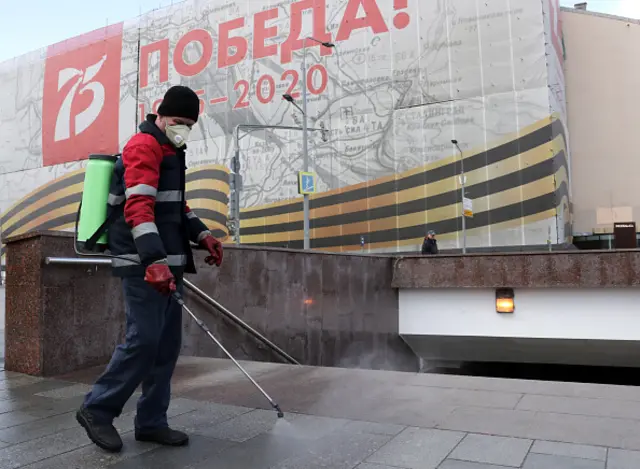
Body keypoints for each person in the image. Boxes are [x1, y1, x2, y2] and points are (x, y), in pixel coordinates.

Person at [76, 85, 224, 453]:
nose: (183, 129)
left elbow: (174, 205)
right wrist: (154, 262)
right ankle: (97, 409)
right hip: (144, 263)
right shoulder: (144, 145)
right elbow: (139, 208)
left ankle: (152, 421)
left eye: (189, 124)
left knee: (166, 347)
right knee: (143, 341)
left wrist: (203, 235)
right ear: (159, 114)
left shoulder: (171, 148)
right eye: (177, 122)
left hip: (167, 263)